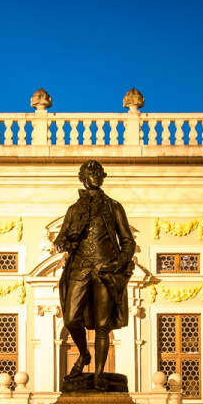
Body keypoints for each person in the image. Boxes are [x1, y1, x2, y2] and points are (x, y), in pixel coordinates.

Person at [54, 160, 136, 391]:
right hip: (80, 268)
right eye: (91, 173)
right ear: (83, 177)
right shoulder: (73, 210)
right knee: (70, 318)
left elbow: (127, 241)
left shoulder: (113, 207)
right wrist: (63, 241)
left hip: (105, 270)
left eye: (99, 172)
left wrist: (120, 262)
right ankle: (83, 354)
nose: (96, 176)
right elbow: (60, 240)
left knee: (102, 325)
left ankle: (99, 375)